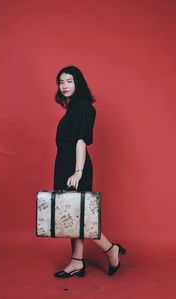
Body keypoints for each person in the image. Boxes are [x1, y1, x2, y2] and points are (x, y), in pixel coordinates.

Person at [53, 65, 126, 278]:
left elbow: (81, 141)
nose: (64, 85)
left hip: (75, 166)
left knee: (81, 217)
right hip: (65, 164)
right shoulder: (74, 107)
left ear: (79, 83)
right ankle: (77, 261)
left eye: (69, 81)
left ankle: (111, 249)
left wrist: (78, 171)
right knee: (71, 215)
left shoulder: (84, 107)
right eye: (61, 82)